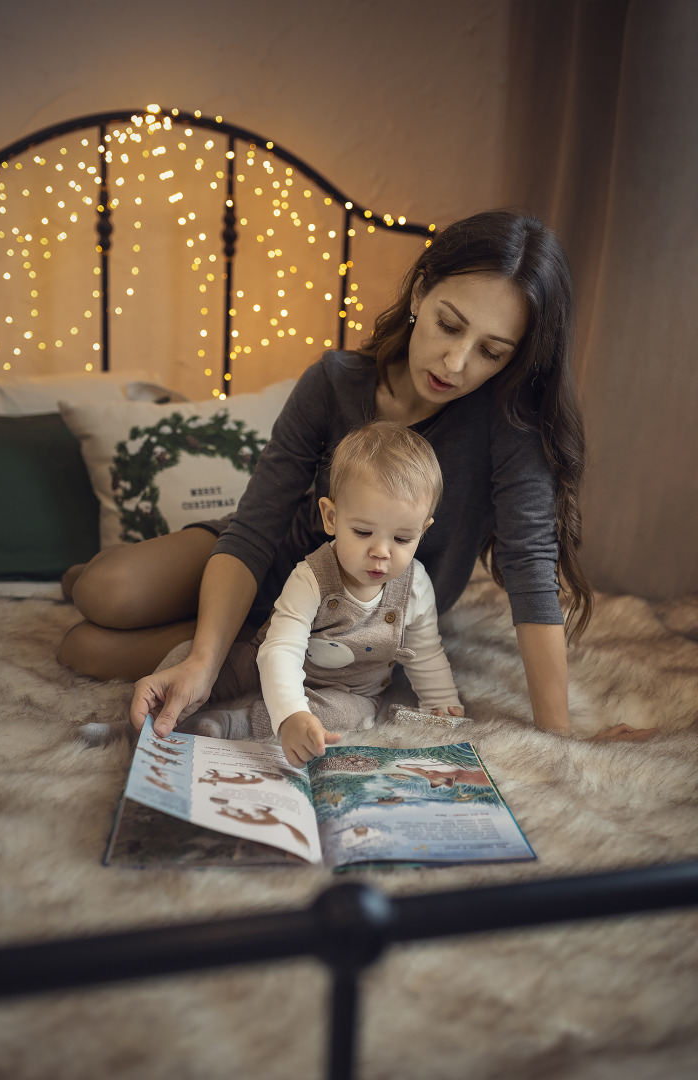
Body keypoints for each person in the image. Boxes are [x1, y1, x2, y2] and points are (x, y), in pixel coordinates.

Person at [58, 208, 653, 743]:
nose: (456, 363)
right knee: (103, 591)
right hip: (268, 560)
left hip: (353, 614)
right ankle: (91, 577)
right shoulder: (333, 380)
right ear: (421, 292)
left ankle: (237, 633)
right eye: (450, 325)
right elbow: (257, 525)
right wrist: (203, 665)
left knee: (82, 645)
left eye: (491, 351)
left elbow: (529, 570)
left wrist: (561, 733)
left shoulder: (508, 425)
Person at [190, 421, 463, 766]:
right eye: (363, 532)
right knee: (209, 661)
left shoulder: (415, 586)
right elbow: (281, 649)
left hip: (350, 692)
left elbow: (425, 650)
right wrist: (290, 711)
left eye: (402, 539)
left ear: (423, 531)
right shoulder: (311, 577)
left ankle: (236, 722)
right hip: (276, 662)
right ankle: (160, 709)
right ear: (331, 518)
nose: (381, 552)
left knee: (348, 717)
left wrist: (441, 701)